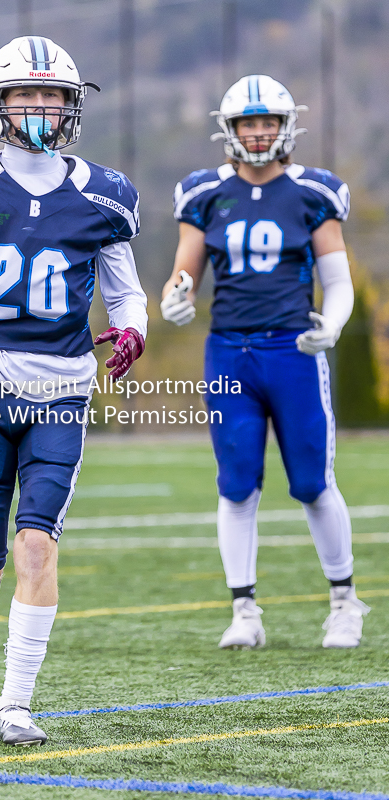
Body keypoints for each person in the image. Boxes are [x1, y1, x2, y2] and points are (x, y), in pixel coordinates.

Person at [0, 36, 147, 745]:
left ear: (72, 106)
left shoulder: (103, 195)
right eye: (26, 96)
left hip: (64, 392)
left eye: (53, 96)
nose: (40, 108)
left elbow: (127, 294)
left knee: (37, 547)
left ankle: (15, 704)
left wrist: (133, 331)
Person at [161, 74, 369, 650]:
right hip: (229, 351)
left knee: (311, 481)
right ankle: (245, 611)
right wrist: (175, 296)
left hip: (292, 350)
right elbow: (186, 269)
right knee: (235, 485)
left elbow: (337, 279)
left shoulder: (314, 192)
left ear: (286, 126)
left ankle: (344, 600)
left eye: (267, 122)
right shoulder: (204, 193)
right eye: (248, 123)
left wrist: (334, 322)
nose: (257, 133)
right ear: (228, 130)